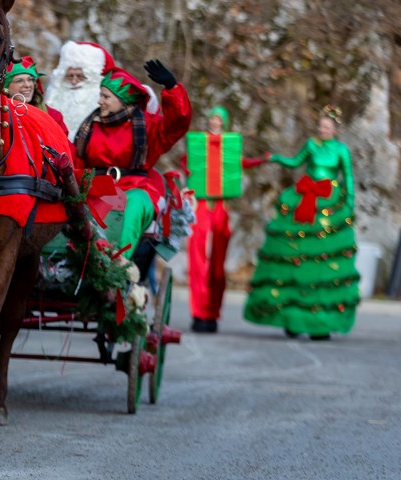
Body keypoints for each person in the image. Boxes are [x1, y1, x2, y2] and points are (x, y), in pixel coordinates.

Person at [243, 105, 360, 340]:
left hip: (328, 202)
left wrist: (349, 203)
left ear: (336, 129)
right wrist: (275, 157)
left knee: (322, 260)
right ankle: (292, 317)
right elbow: (296, 162)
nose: (323, 130)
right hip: (305, 197)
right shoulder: (310, 144)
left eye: (328, 127)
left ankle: (320, 321)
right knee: (295, 255)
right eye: (321, 126)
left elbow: (347, 176)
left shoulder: (341, 150)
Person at [74, 60, 192, 264]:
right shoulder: (90, 125)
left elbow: (178, 124)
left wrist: (172, 88)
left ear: (123, 100)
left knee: (133, 208)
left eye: (106, 96)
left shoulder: (147, 126)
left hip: (135, 188)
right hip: (96, 188)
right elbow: (76, 158)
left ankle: (118, 264)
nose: (100, 101)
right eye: (100, 95)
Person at [183, 107, 265, 333]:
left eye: (219, 119)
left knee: (218, 263)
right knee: (197, 258)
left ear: (224, 122)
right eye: (212, 118)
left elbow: (242, 163)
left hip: (221, 205)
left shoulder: (230, 147)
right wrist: (188, 171)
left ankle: (212, 313)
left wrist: (261, 160)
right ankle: (198, 313)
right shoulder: (198, 144)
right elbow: (187, 162)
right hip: (200, 204)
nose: (215, 122)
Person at [45, 41, 117, 137]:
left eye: (80, 76)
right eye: (70, 76)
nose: (74, 81)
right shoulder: (53, 98)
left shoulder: (106, 104)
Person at [3, 55, 69, 134]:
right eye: (19, 81)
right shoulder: (0, 116)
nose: (27, 85)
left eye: (30, 80)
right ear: (6, 87)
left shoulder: (53, 115)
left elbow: (63, 144)